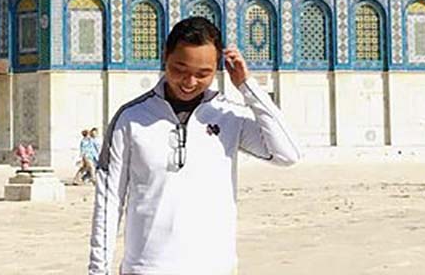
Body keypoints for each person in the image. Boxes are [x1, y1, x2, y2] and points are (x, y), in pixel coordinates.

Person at [88, 16, 301, 275]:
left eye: (203, 74)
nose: (189, 82)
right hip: (147, 268)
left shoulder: (229, 116)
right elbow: (109, 201)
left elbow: (287, 153)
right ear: (165, 56)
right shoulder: (131, 118)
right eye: (180, 69)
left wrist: (247, 86)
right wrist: (98, 271)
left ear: (217, 68)